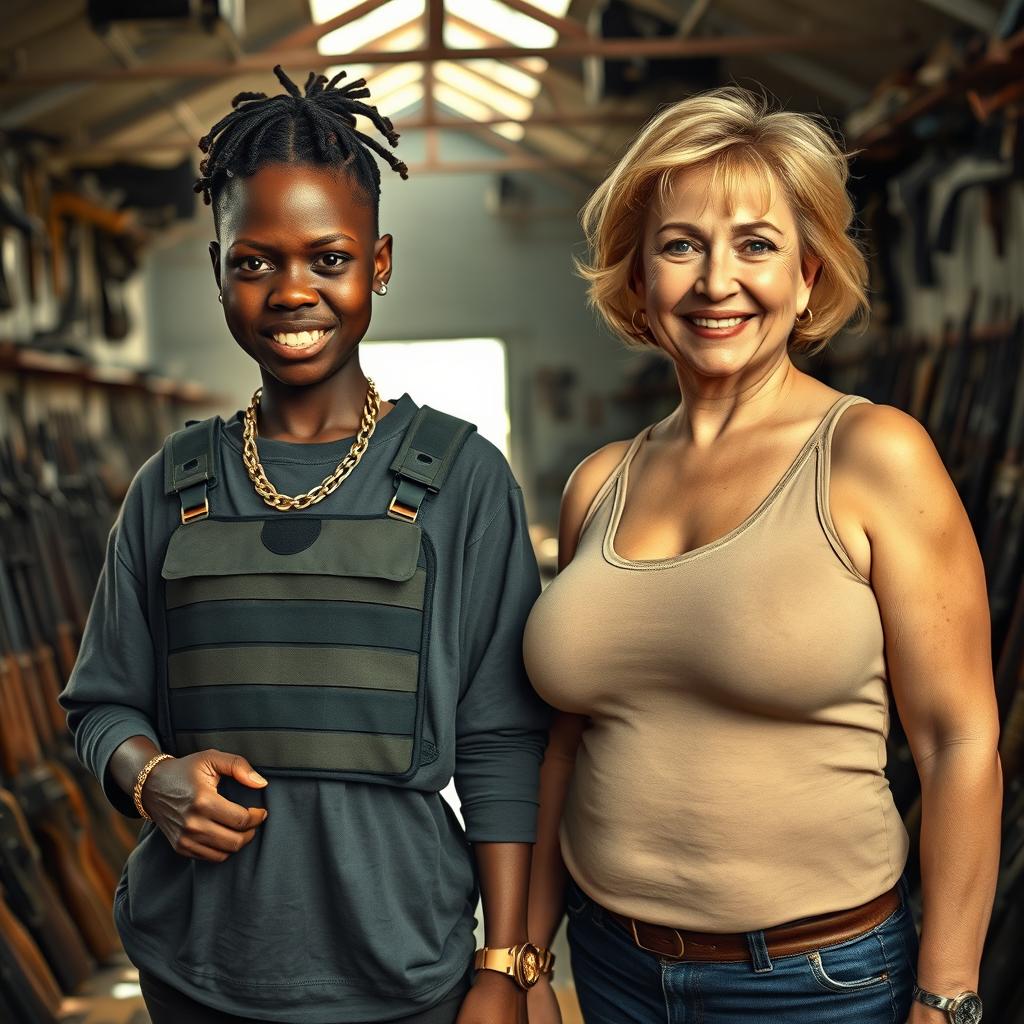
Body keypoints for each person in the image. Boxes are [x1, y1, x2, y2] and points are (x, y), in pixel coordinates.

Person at [59, 66, 552, 1024]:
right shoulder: (172, 482)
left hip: (408, 969)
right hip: (197, 970)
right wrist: (150, 778)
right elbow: (101, 705)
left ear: (381, 262)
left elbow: (502, 742)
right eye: (255, 262)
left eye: (328, 258)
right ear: (216, 270)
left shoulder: (462, 479)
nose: (293, 291)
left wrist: (506, 963)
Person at [522, 86, 1001, 1024]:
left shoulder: (872, 456)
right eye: (680, 244)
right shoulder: (600, 482)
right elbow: (562, 749)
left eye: (756, 243)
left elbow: (959, 743)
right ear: (637, 274)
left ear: (810, 275)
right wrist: (524, 960)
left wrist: (946, 999)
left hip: (815, 984)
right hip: (610, 970)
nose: (715, 281)